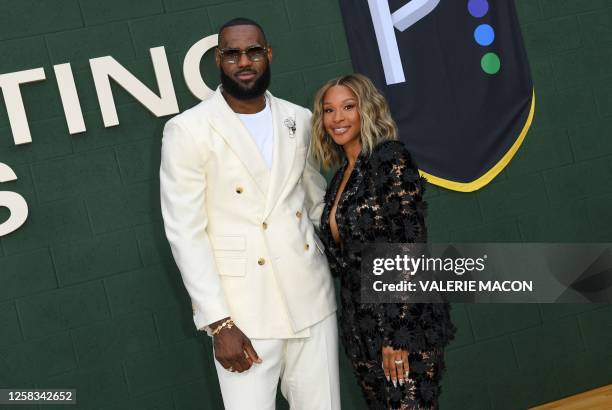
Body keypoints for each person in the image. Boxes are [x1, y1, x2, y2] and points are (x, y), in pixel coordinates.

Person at [159, 17, 340, 410]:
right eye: (232, 54)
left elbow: (315, 203)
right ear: (218, 60)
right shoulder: (187, 130)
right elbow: (185, 232)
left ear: (268, 54)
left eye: (253, 51)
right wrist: (218, 322)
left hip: (310, 298)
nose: (245, 61)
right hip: (243, 315)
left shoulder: (300, 120)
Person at [311, 73, 456, 410]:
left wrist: (397, 334)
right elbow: (341, 261)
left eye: (348, 107)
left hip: (401, 323)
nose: (338, 118)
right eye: (329, 111)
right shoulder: (338, 180)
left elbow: (410, 248)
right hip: (360, 330)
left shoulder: (389, 159)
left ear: (368, 110)